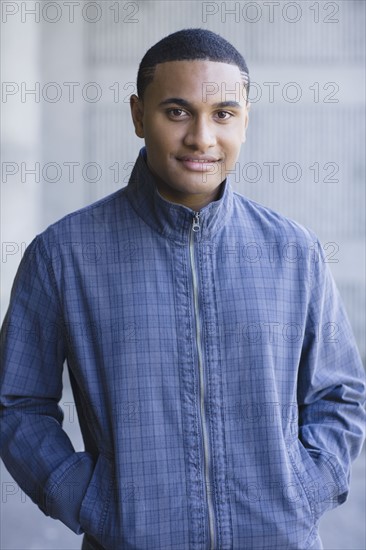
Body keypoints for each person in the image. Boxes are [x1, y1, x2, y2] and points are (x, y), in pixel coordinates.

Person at [0, 28, 365, 550]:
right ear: (136, 115)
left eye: (223, 113)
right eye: (176, 112)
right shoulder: (64, 255)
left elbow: (340, 394)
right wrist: (88, 498)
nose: (201, 138)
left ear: (245, 119)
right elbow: (17, 403)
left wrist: (305, 491)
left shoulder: (293, 252)